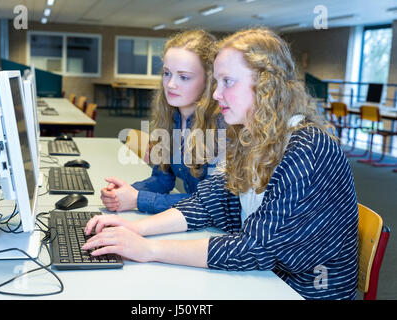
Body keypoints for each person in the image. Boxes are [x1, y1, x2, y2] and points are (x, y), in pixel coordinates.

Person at [83, 28, 358, 300]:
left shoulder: (309, 147)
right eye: (216, 82)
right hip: (267, 278)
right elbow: (208, 203)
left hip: (303, 290)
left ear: (266, 86)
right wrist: (135, 229)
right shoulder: (247, 136)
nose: (215, 94)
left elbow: (255, 248)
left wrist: (149, 250)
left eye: (227, 81)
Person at [101, 29, 226, 214]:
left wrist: (138, 199)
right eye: (167, 73)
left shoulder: (221, 126)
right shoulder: (172, 118)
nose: (170, 84)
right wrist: (126, 191)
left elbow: (210, 203)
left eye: (183, 77)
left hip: (218, 231)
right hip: (190, 221)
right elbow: (162, 179)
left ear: (209, 81)